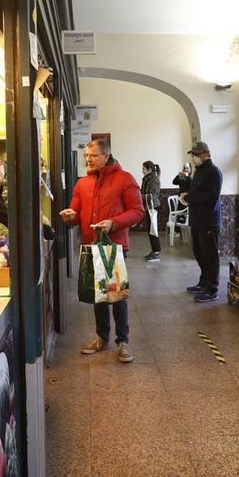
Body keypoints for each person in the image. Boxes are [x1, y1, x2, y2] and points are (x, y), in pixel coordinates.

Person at [59, 138, 144, 363]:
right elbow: (75, 213)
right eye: (86, 156)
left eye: (93, 156)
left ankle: (123, 341)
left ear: (106, 155)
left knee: (116, 295)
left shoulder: (125, 179)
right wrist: (70, 217)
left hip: (113, 247)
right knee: (99, 295)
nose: (88, 160)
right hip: (90, 246)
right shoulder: (82, 183)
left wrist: (113, 223)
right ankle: (102, 337)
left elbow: (137, 211)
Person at [183, 141, 222, 302]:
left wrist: (189, 198)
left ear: (206, 153)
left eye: (196, 154)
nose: (194, 157)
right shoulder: (198, 172)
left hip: (208, 220)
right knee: (199, 252)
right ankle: (204, 281)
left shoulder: (213, 172)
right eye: (193, 154)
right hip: (197, 219)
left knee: (210, 255)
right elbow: (197, 192)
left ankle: (212, 289)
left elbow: (212, 196)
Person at [140, 161, 162, 261]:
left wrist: (139, 196)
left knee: (153, 230)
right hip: (148, 207)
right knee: (150, 230)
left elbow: (153, 195)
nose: (142, 171)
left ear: (149, 169)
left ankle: (156, 253)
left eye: (144, 169)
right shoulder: (147, 179)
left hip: (153, 207)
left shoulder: (154, 179)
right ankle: (154, 250)